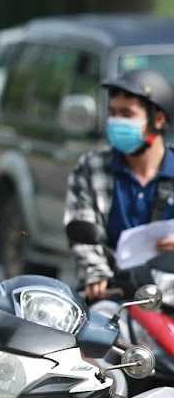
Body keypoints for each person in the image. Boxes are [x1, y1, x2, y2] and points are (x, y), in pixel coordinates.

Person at [66, 68, 174, 300]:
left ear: (158, 119)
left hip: (167, 298)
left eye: (127, 114)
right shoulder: (91, 166)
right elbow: (81, 226)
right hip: (112, 298)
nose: (117, 121)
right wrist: (98, 275)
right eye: (113, 113)